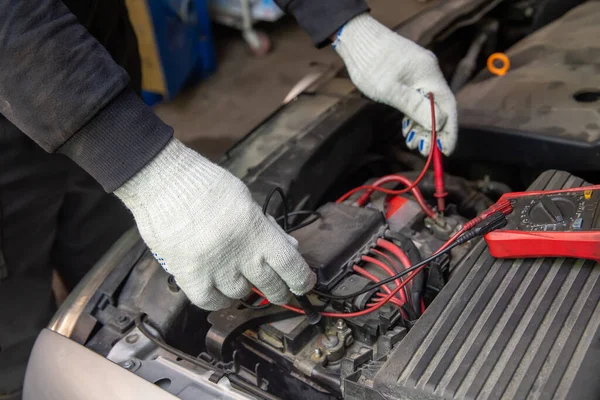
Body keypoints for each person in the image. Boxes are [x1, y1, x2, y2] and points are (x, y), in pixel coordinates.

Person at [0, 1, 457, 397]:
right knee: (18, 342)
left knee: (111, 280)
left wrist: (343, 22)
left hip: (89, 62)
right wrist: (142, 165)